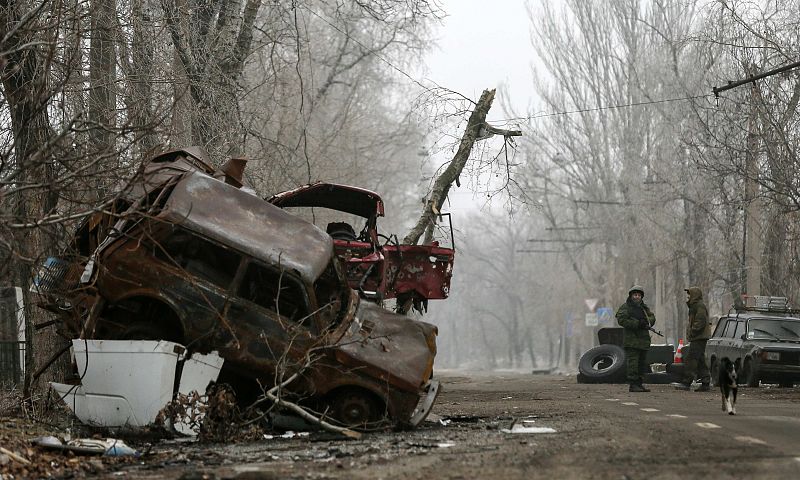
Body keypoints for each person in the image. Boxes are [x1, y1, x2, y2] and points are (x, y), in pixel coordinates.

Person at [616, 285, 656, 392]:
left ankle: (639, 383)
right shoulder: (626, 307)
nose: (637, 297)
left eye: (639, 295)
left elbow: (652, 317)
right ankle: (633, 384)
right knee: (633, 363)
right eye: (635, 295)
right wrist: (637, 324)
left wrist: (647, 322)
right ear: (631, 296)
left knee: (641, 364)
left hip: (643, 340)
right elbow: (621, 319)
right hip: (632, 340)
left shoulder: (644, 308)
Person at [675, 286, 712, 391]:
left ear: (694, 295)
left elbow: (700, 321)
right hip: (699, 337)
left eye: (689, 294)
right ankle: (705, 382)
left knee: (691, 359)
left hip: (699, 337)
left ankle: (687, 382)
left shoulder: (699, 306)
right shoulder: (695, 306)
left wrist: (692, 332)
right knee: (700, 360)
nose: (688, 296)